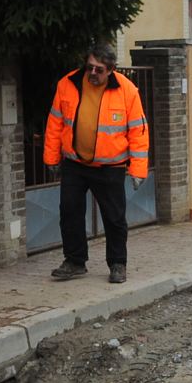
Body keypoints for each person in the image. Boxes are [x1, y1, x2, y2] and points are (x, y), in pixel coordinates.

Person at [43, 42, 149, 284]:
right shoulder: (67, 84)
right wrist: (51, 157)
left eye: (99, 70)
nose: (92, 73)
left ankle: (118, 263)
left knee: (114, 218)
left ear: (111, 70)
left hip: (110, 167)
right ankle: (75, 261)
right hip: (74, 163)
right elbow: (55, 124)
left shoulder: (127, 91)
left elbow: (138, 132)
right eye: (89, 67)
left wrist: (138, 169)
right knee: (69, 212)